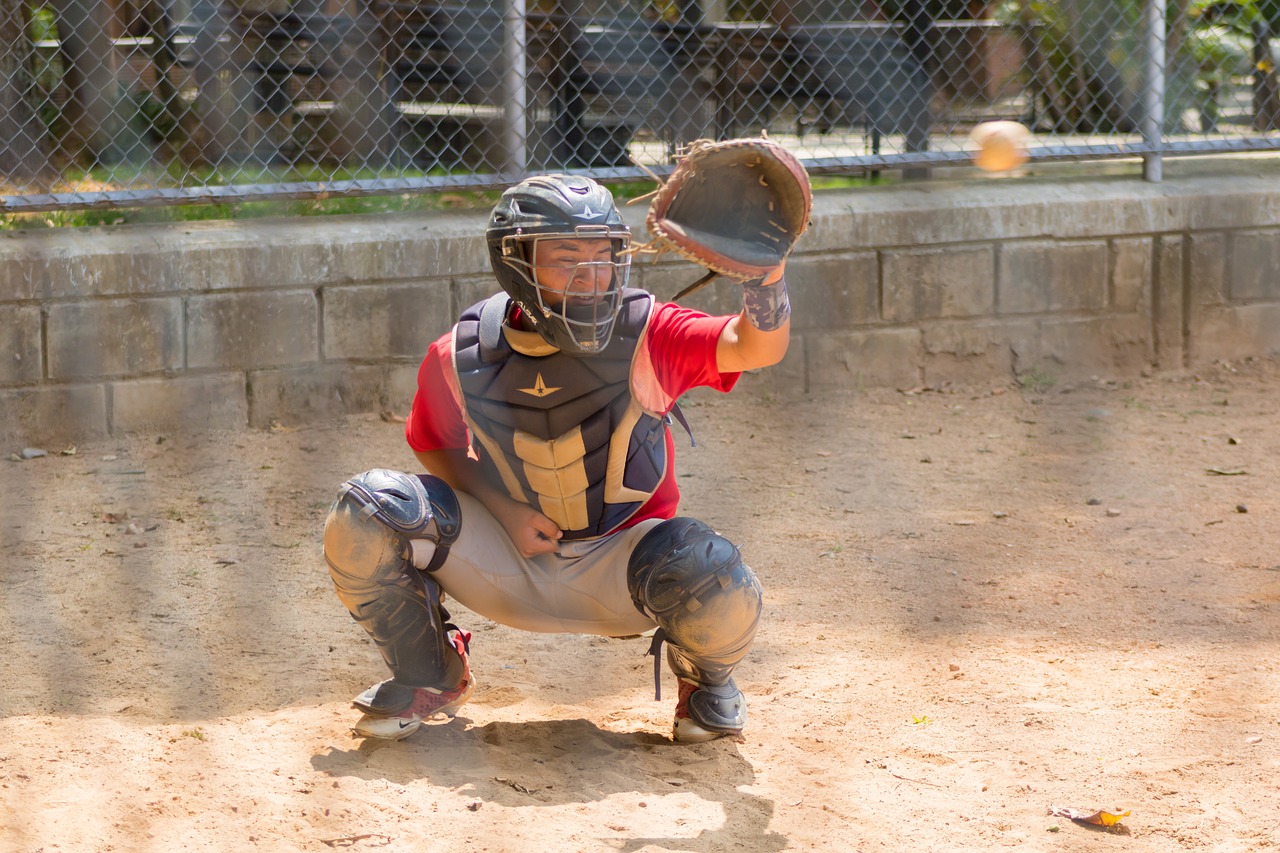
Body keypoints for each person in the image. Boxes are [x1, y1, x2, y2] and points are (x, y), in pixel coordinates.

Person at [322, 173, 792, 743]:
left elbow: (755, 346)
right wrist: (504, 511)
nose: (591, 275)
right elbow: (432, 441)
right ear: (515, 262)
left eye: (603, 256)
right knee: (368, 510)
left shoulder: (650, 334)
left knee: (711, 570)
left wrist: (765, 280)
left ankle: (704, 684)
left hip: (625, 571)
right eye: (567, 258)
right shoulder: (463, 353)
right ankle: (430, 673)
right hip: (506, 563)